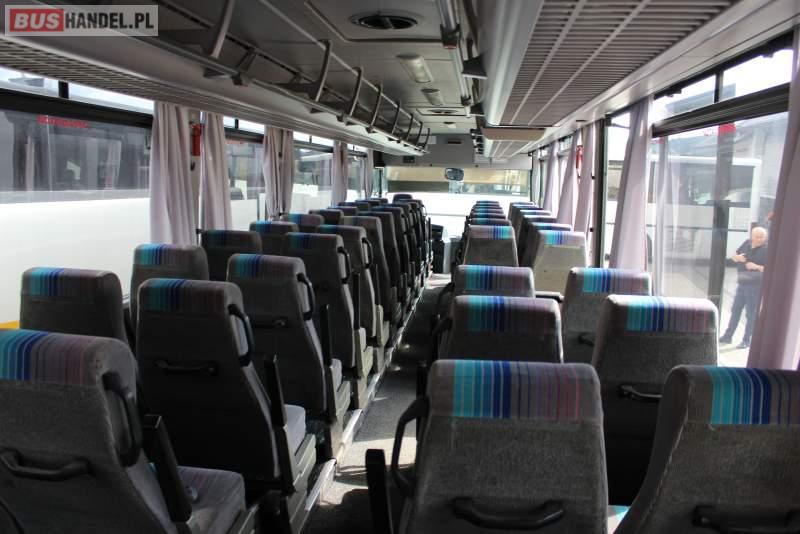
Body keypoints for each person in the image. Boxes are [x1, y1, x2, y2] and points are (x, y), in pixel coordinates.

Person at [720, 226, 768, 349]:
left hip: (755, 286)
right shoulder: (747, 243)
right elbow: (735, 256)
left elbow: (771, 269)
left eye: (762, 237)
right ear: (751, 236)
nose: (759, 239)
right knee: (735, 310)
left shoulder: (767, 249)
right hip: (742, 283)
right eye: (757, 237)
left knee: (750, 314)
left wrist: (756, 266)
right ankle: (728, 336)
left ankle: (746, 340)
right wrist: (737, 258)